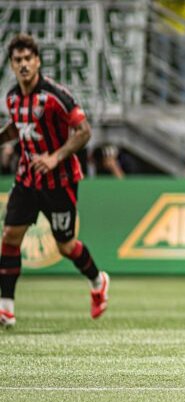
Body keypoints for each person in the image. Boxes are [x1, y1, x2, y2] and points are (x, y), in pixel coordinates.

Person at [0, 34, 110, 327]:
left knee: (65, 245)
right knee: (10, 236)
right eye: (18, 60)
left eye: (28, 59)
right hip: (27, 179)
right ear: (12, 65)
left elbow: (84, 131)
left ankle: (98, 281)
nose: (23, 64)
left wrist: (54, 157)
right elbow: (18, 128)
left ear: (38, 61)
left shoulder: (56, 96)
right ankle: (6, 309)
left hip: (59, 182)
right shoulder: (12, 98)